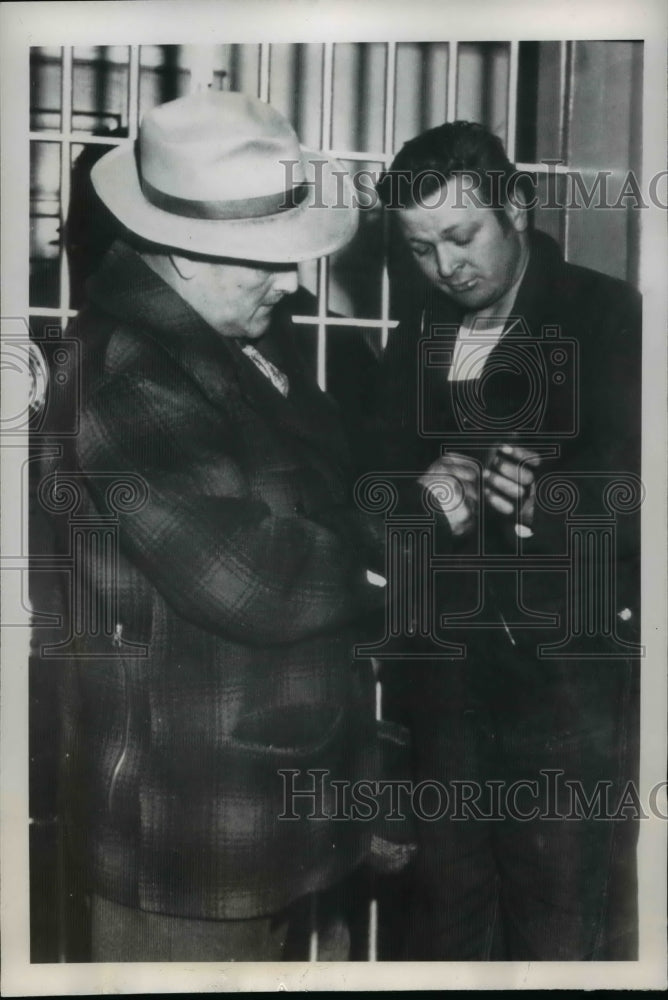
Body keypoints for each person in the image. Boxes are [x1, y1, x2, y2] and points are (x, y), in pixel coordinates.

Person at [35, 90, 412, 962]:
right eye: (264, 262)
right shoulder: (127, 376)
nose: (292, 282)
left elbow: (321, 499)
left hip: (258, 816)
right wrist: (411, 525)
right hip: (188, 849)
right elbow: (258, 578)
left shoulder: (224, 347)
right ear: (180, 253)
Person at [371, 120, 641, 960]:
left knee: (559, 912)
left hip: (564, 681)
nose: (446, 267)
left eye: (461, 236)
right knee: (445, 915)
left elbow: (644, 480)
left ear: (516, 206)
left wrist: (550, 497)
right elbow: (371, 480)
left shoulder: (607, 315)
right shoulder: (417, 335)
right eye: (420, 249)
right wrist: (413, 493)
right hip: (446, 679)